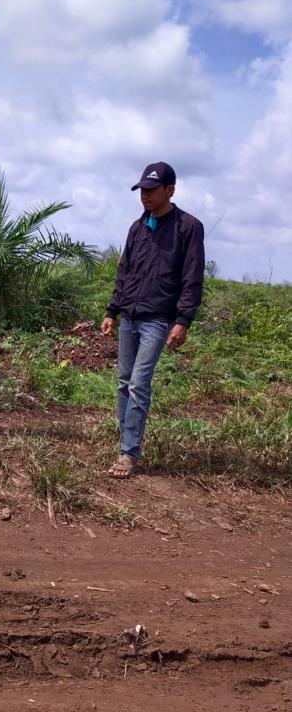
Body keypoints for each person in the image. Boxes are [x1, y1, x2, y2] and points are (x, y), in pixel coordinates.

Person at [100, 161, 205, 478]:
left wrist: (183, 319)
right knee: (122, 383)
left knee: (139, 384)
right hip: (130, 316)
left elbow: (192, 278)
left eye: (151, 190)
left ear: (169, 191)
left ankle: (129, 453)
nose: (144, 195)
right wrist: (111, 311)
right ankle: (126, 441)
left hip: (158, 320)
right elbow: (124, 272)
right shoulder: (137, 227)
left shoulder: (188, 227)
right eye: (142, 190)